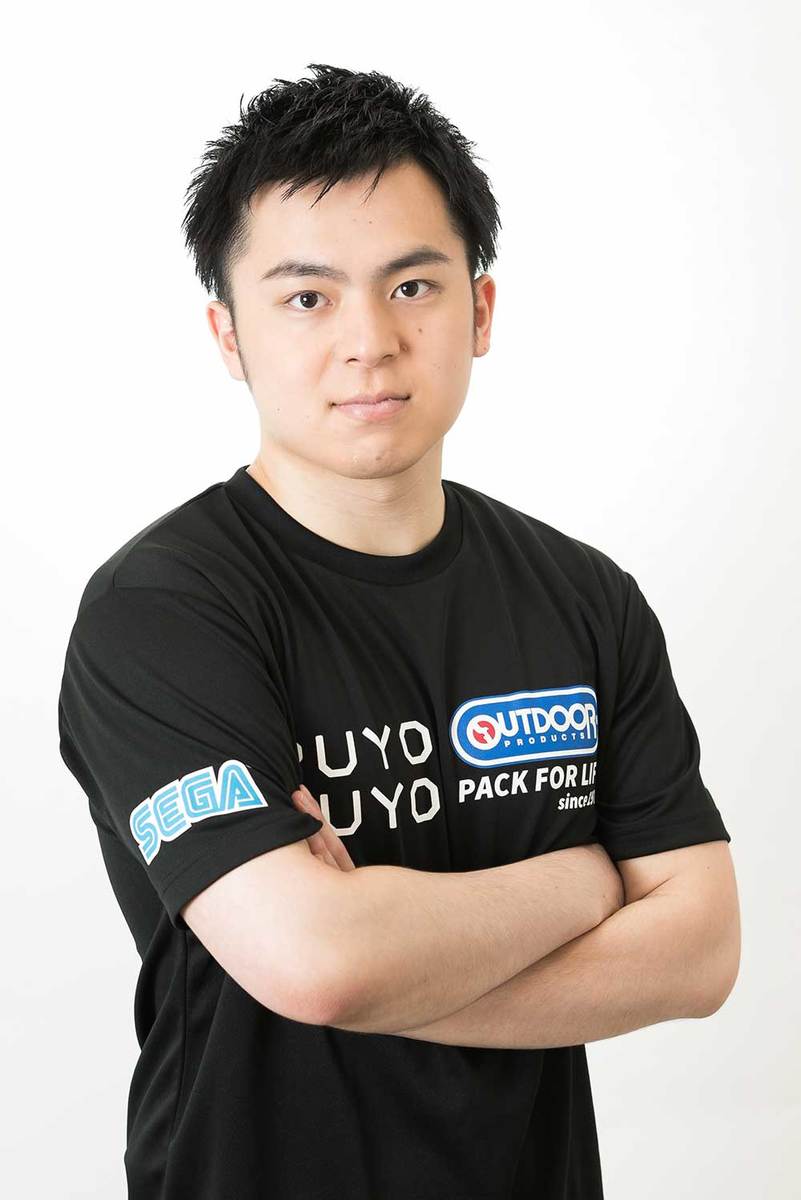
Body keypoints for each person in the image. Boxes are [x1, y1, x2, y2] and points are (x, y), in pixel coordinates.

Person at [57, 63, 740, 1200]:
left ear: (480, 310)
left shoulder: (583, 596)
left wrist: (382, 953)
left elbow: (702, 954)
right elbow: (317, 962)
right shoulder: (163, 611)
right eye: (307, 298)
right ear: (229, 335)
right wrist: (583, 882)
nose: (368, 340)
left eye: (413, 285)